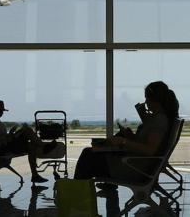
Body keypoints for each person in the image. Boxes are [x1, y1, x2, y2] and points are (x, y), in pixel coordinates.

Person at [73, 81, 179, 215]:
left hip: (135, 168)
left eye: (147, 98)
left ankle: (77, 202)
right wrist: (131, 137)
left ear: (154, 100)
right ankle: (86, 200)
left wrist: (123, 142)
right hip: (137, 165)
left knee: (87, 157)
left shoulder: (159, 120)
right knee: (91, 154)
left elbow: (149, 150)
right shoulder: (157, 118)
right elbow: (147, 144)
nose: (145, 102)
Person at [0, 99, 55, 183]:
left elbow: (1, 137)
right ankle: (44, 146)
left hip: (7, 144)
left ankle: (35, 175)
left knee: (31, 146)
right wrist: (11, 136)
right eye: (1, 111)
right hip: (4, 147)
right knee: (26, 130)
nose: (2, 113)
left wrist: (11, 134)